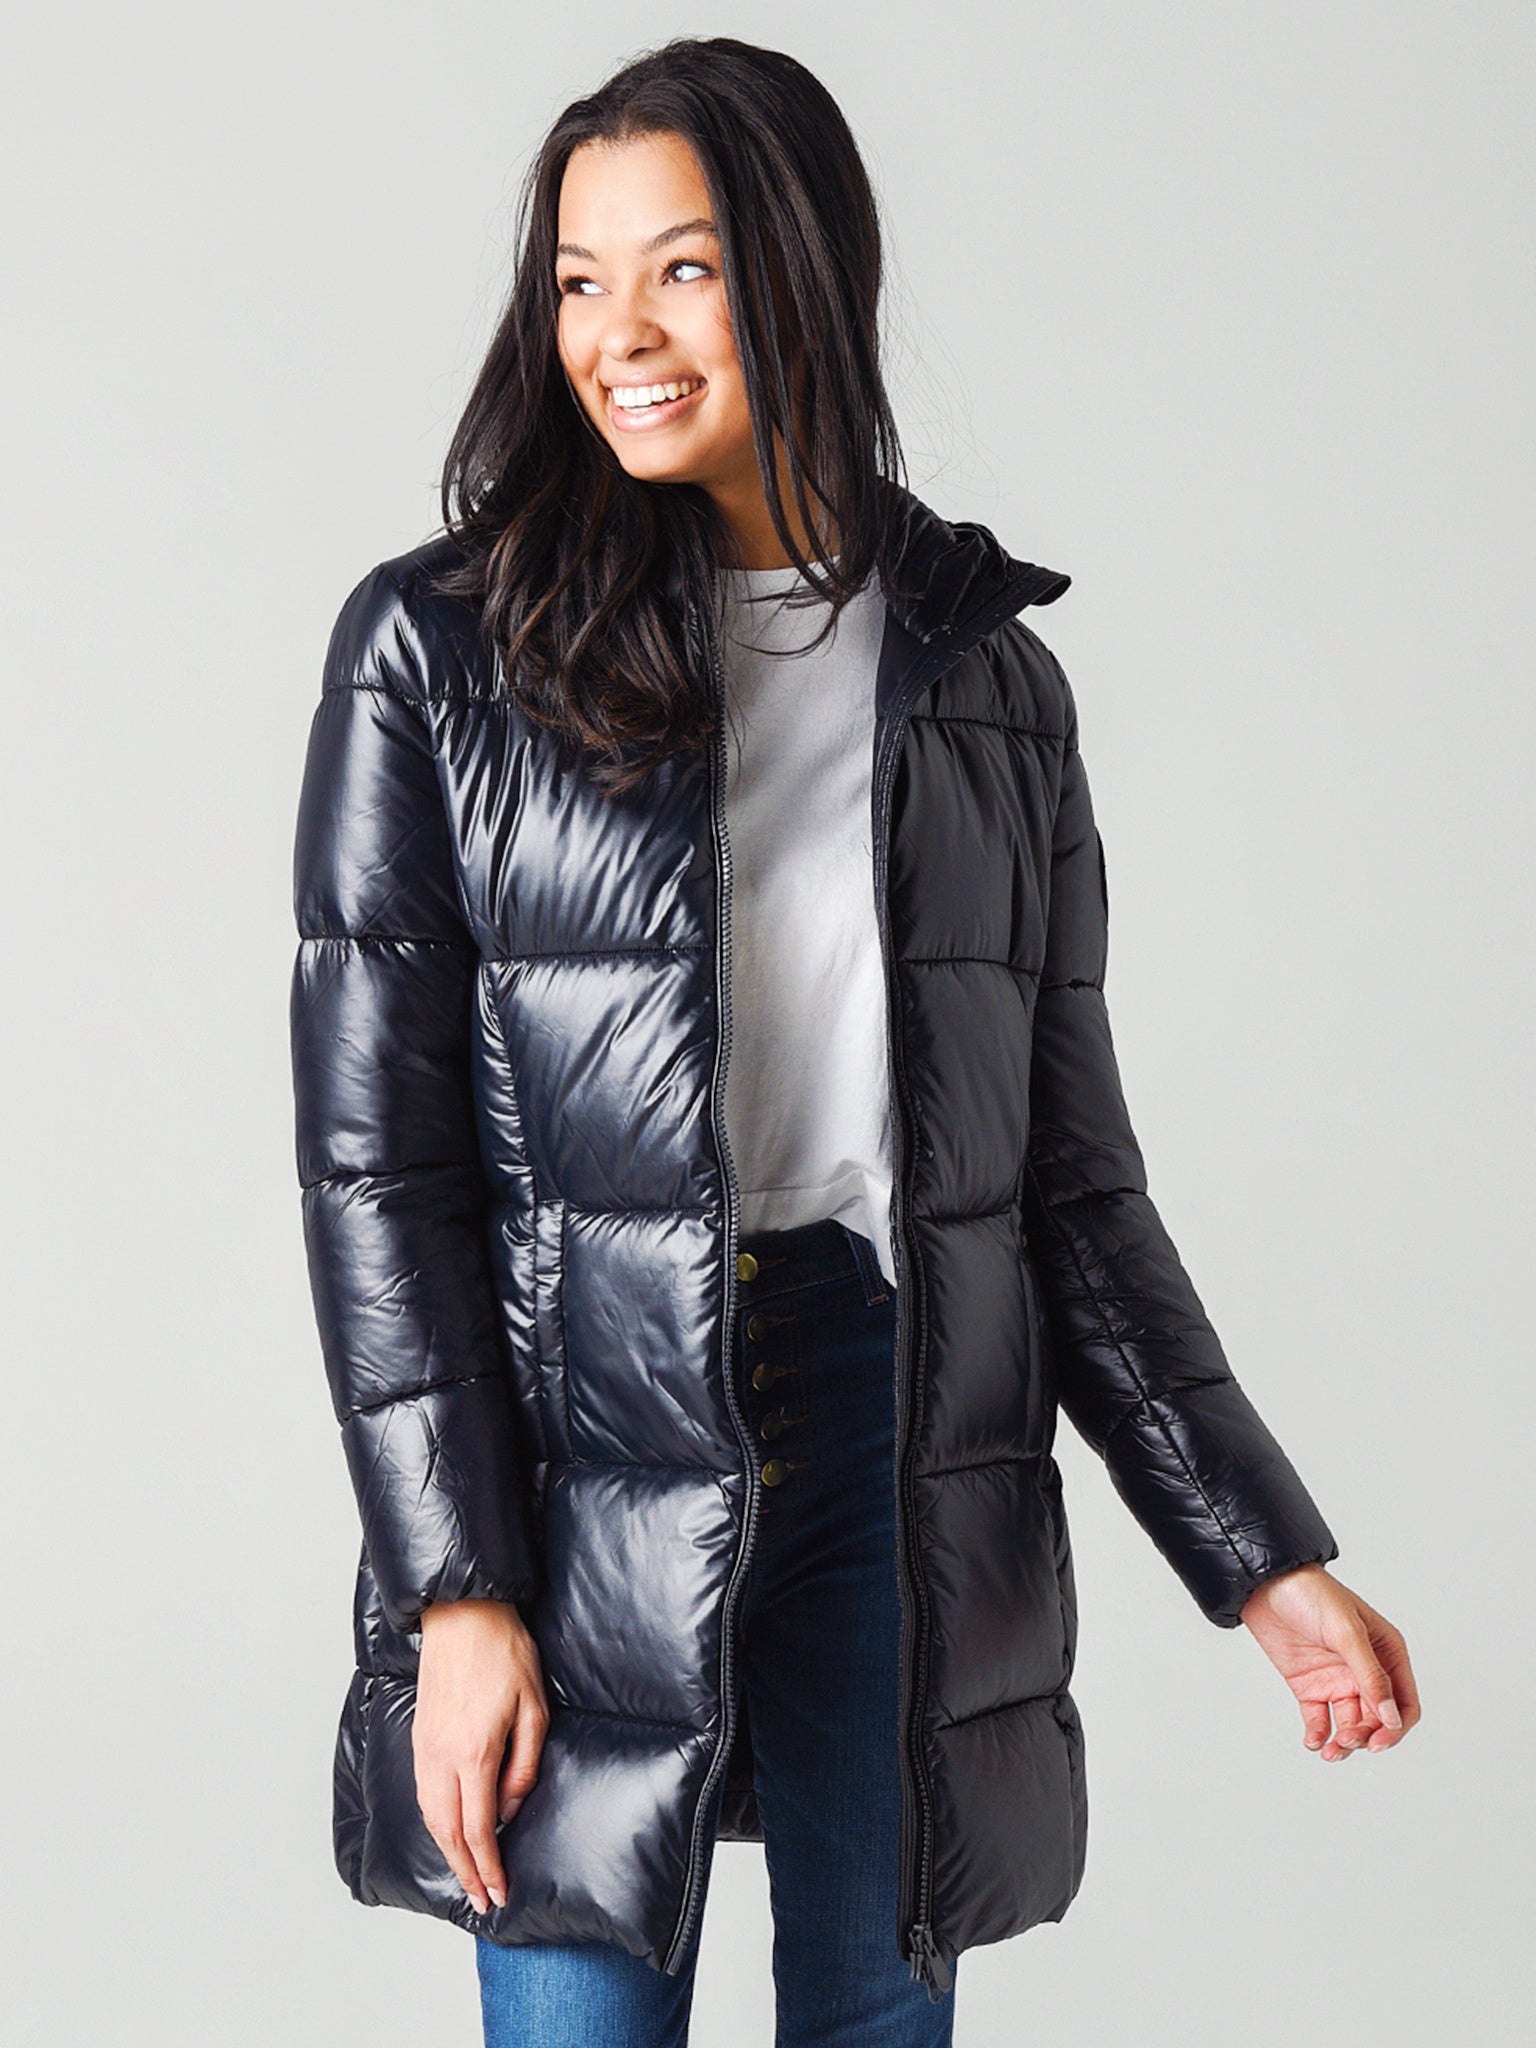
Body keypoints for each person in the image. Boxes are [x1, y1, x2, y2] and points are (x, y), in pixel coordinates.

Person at [288, 35, 1420, 2048]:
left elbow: (1066, 1192)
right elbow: (384, 1175)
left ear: (806, 271)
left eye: (684, 269)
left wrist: (1263, 1557)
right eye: (579, 279)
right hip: (574, 1438)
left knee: (878, 2020)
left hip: (897, 1422)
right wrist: (459, 1588)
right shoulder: (443, 654)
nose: (620, 333)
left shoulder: (987, 687)